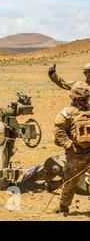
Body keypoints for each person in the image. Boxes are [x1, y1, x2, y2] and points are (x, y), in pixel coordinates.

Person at [49, 82, 90, 214]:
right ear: (75, 99)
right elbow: (58, 131)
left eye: (87, 99)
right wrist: (69, 145)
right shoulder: (66, 114)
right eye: (83, 99)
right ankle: (63, 206)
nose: (86, 102)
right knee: (71, 181)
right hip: (77, 154)